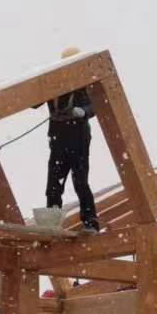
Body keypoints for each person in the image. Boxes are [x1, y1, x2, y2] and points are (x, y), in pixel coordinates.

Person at [41, 86, 101, 233]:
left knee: (80, 181)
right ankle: (52, 223)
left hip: (78, 136)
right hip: (58, 137)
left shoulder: (79, 84)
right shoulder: (50, 84)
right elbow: (33, 101)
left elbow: (95, 104)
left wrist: (84, 112)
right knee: (54, 183)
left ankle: (90, 222)